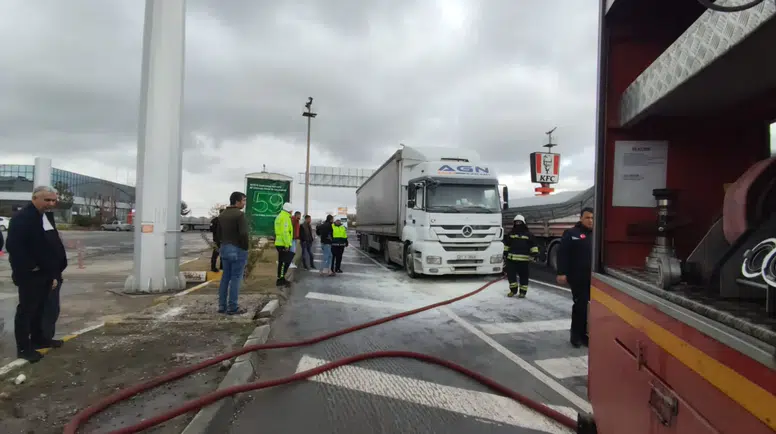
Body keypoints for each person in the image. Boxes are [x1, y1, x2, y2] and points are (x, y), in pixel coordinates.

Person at [6, 186, 68, 363]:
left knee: (41, 309)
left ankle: (39, 340)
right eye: (46, 200)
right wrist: (31, 267)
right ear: (34, 198)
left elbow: (51, 243)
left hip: (47, 273)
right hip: (31, 275)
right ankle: (24, 348)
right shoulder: (22, 218)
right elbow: (14, 247)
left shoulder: (46, 217)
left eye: (53, 200)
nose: (50, 203)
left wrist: (55, 269)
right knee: (27, 311)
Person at [557, 207, 594, 348]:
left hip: (593, 279)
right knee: (580, 306)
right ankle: (576, 336)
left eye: (592, 218)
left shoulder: (596, 235)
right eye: (587, 217)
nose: (590, 220)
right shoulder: (572, 233)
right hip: (578, 277)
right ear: (581, 218)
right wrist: (561, 272)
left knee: (590, 308)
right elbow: (563, 254)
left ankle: (585, 335)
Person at [216, 192, 249, 315]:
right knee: (236, 278)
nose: (244, 203)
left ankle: (222, 306)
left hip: (224, 247)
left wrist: (222, 245)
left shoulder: (222, 215)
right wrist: (245, 248)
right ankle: (233, 307)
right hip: (237, 249)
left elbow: (218, 234)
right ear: (237, 201)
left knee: (225, 278)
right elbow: (243, 234)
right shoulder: (240, 215)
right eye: (243, 201)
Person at [503, 214, 539, 298]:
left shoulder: (529, 235)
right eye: (516, 222)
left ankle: (523, 292)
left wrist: (535, 254)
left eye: (520, 222)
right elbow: (507, 244)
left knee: (524, 277)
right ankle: (513, 291)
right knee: (511, 277)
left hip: (524, 261)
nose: (518, 224)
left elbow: (533, 245)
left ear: (523, 223)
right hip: (511, 260)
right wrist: (505, 253)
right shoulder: (511, 234)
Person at [274, 202, 294, 286]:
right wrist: (286, 244)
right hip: (283, 243)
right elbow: (285, 232)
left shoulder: (280, 216)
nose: (292, 212)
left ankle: (281, 278)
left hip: (280, 242)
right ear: (289, 210)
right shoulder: (285, 217)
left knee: (283, 261)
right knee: (283, 262)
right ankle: (281, 279)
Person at [209, 208, 224, 272]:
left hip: (216, 240)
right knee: (222, 255)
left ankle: (213, 267)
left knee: (215, 254)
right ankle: (221, 267)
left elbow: (211, 229)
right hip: (223, 240)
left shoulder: (214, 220)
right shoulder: (226, 221)